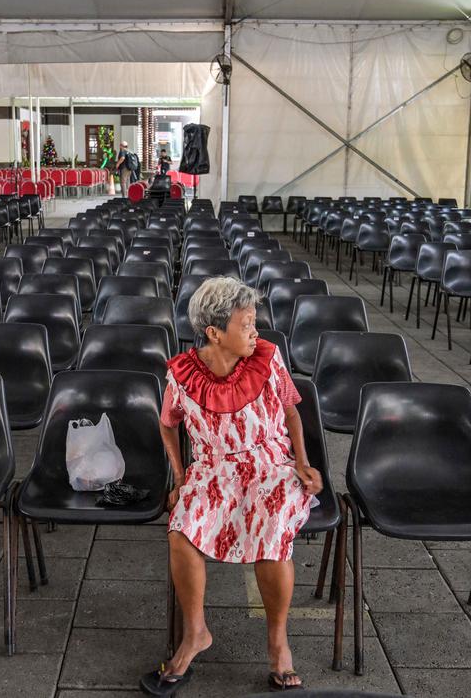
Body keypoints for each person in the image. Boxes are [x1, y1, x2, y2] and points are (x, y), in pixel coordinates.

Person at [141, 277, 323, 695]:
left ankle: (278, 644)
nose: (255, 331)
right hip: (212, 469)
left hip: (270, 464)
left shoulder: (267, 358)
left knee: (273, 528)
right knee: (182, 528)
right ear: (214, 332)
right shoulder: (183, 374)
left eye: (254, 321)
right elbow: (168, 426)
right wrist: (181, 475)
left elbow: (292, 411)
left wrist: (302, 462)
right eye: (246, 324)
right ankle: (195, 634)